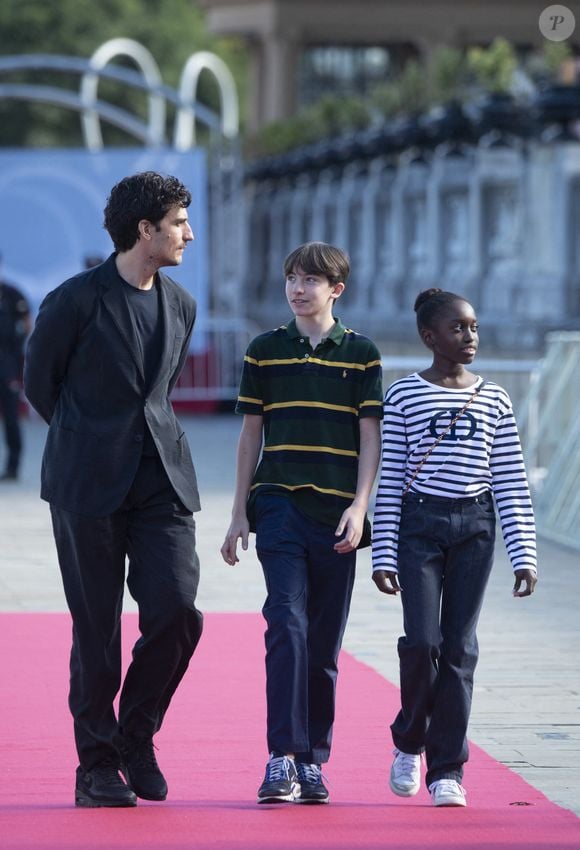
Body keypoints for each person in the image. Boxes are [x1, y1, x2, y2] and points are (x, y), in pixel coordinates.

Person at [24, 172, 204, 808]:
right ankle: (95, 768)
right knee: (96, 630)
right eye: (179, 222)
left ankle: (136, 734)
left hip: (162, 480)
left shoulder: (180, 303)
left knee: (179, 612)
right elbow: (40, 385)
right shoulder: (73, 301)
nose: (188, 232)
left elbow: (159, 391)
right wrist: (88, 439)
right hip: (85, 481)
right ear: (144, 230)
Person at [221, 241, 383, 805]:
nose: (297, 288)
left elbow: (370, 438)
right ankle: (282, 758)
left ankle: (315, 759)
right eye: (291, 277)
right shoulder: (264, 350)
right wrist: (239, 510)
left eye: (310, 279)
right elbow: (249, 436)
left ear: (336, 289)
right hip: (279, 506)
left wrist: (361, 507)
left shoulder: (362, 354)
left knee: (323, 642)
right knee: (285, 624)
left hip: (338, 512)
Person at [372, 288, 537, 808]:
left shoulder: (495, 398)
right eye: (458, 328)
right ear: (429, 337)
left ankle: (448, 768)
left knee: (460, 647)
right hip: (418, 525)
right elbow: (392, 475)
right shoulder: (403, 396)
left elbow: (510, 477)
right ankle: (409, 741)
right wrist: (382, 552)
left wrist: (524, 550)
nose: (469, 337)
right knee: (423, 643)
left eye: (474, 328)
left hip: (475, 527)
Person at [0, 257, 31, 481]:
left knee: (11, 415)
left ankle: (13, 467)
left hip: (6, 362)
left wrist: (17, 347)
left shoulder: (11, 293)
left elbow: (28, 322)